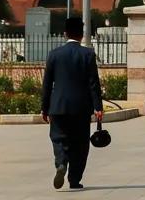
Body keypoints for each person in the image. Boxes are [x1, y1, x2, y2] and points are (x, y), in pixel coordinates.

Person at [40, 16, 104, 191]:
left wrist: (44, 108)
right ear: (82, 34)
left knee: (58, 138)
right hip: (81, 107)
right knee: (80, 143)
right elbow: (93, 83)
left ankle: (61, 162)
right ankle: (74, 179)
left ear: (64, 33)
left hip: (58, 106)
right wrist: (98, 106)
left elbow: (47, 84)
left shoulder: (54, 54)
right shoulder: (88, 54)